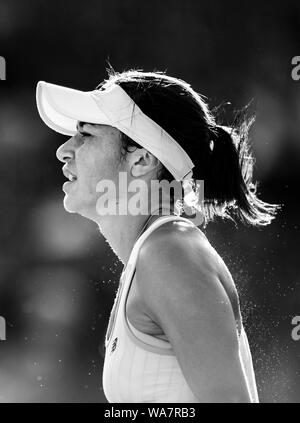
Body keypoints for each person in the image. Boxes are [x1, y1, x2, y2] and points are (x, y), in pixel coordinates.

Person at [36, 69, 278, 403]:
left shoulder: (169, 255)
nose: (64, 150)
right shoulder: (156, 253)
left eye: (86, 135)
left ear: (142, 160)